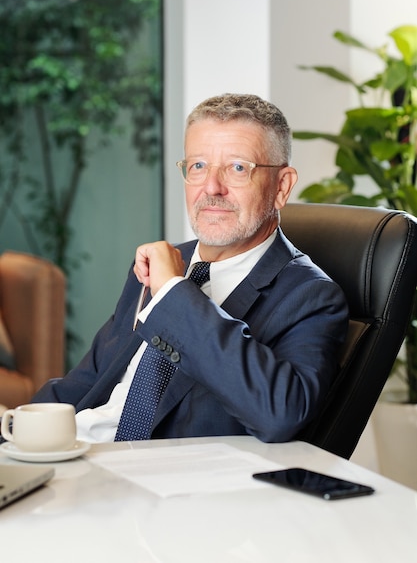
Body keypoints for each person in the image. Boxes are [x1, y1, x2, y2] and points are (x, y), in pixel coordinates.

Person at [31, 93, 348, 444]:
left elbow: (280, 414)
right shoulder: (160, 264)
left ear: (281, 186)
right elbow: (87, 383)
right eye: (198, 166)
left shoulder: (310, 297)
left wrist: (172, 294)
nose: (212, 188)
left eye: (238, 168)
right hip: (75, 457)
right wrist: (14, 437)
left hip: (156, 479)